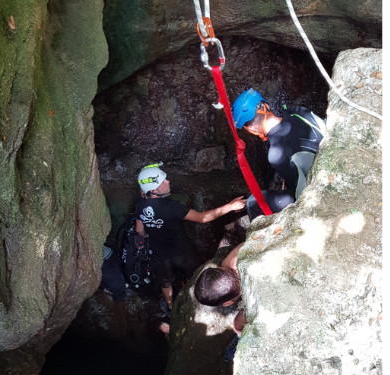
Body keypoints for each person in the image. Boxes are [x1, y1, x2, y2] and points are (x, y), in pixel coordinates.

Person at [134, 163, 247, 311]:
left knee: (165, 282)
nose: (168, 182)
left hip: (159, 253)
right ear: (155, 189)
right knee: (194, 274)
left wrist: (152, 231)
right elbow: (202, 218)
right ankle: (193, 302)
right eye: (163, 181)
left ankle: (170, 306)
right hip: (181, 250)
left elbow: (139, 230)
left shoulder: (140, 205)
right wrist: (230, 207)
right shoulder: (171, 207)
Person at [232, 88, 324, 220]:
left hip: (317, 191)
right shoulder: (298, 112)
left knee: (253, 202)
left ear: (250, 128)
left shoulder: (276, 155)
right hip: (331, 162)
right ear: (266, 106)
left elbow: (302, 192)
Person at [194, 242, 248, 336]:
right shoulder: (233, 259)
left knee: (237, 327)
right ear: (220, 269)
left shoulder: (253, 295)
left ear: (228, 303)